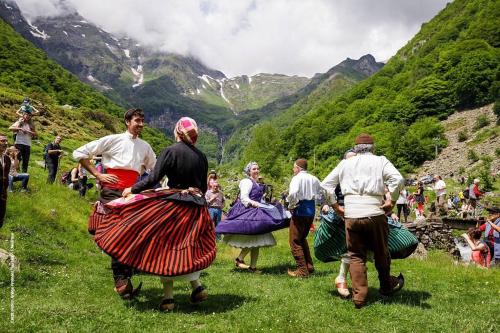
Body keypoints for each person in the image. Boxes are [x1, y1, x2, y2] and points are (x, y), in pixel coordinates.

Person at [109, 116, 215, 311]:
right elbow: (201, 187)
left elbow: (154, 178)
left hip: (174, 207)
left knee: (166, 249)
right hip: (197, 207)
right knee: (188, 249)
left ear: (177, 132)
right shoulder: (202, 156)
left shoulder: (170, 151)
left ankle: (168, 299)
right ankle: (197, 288)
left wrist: (132, 189)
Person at [73, 108, 156, 298]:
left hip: (132, 193)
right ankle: (121, 279)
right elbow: (79, 153)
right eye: (137, 120)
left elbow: (155, 168)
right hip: (111, 191)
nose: (141, 124)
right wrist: (98, 174)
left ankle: (123, 280)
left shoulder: (145, 146)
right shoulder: (113, 139)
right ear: (127, 121)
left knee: (130, 233)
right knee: (121, 232)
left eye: (143, 121)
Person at [321, 133, 405, 308]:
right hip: (375, 212)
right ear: (372, 148)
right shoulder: (380, 161)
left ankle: (359, 297)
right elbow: (398, 179)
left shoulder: (345, 163)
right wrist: (392, 201)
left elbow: (325, 186)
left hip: (352, 214)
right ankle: (386, 286)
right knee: (381, 252)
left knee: (356, 255)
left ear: (356, 149)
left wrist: (336, 207)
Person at [216, 162, 290, 273]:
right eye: (254, 169)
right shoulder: (246, 182)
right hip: (247, 210)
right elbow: (244, 198)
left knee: (258, 240)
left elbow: (258, 198)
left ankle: (252, 266)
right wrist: (254, 203)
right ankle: (240, 259)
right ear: (249, 171)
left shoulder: (256, 183)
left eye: (257, 168)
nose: (256, 170)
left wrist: (266, 204)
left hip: (256, 210)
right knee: (254, 237)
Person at [286, 158, 322, 277]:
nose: (292, 169)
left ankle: (302, 270)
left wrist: (291, 205)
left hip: (300, 210)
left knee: (294, 240)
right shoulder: (314, 178)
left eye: (294, 167)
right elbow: (322, 193)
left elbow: (292, 194)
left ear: (298, 168)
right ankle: (309, 266)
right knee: (302, 238)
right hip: (311, 211)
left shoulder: (297, 178)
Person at [0, 135, 11, 228]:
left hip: (3, 192)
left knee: (1, 216)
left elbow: (6, 175)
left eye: (6, 141)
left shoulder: (7, 159)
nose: (5, 143)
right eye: (2, 141)